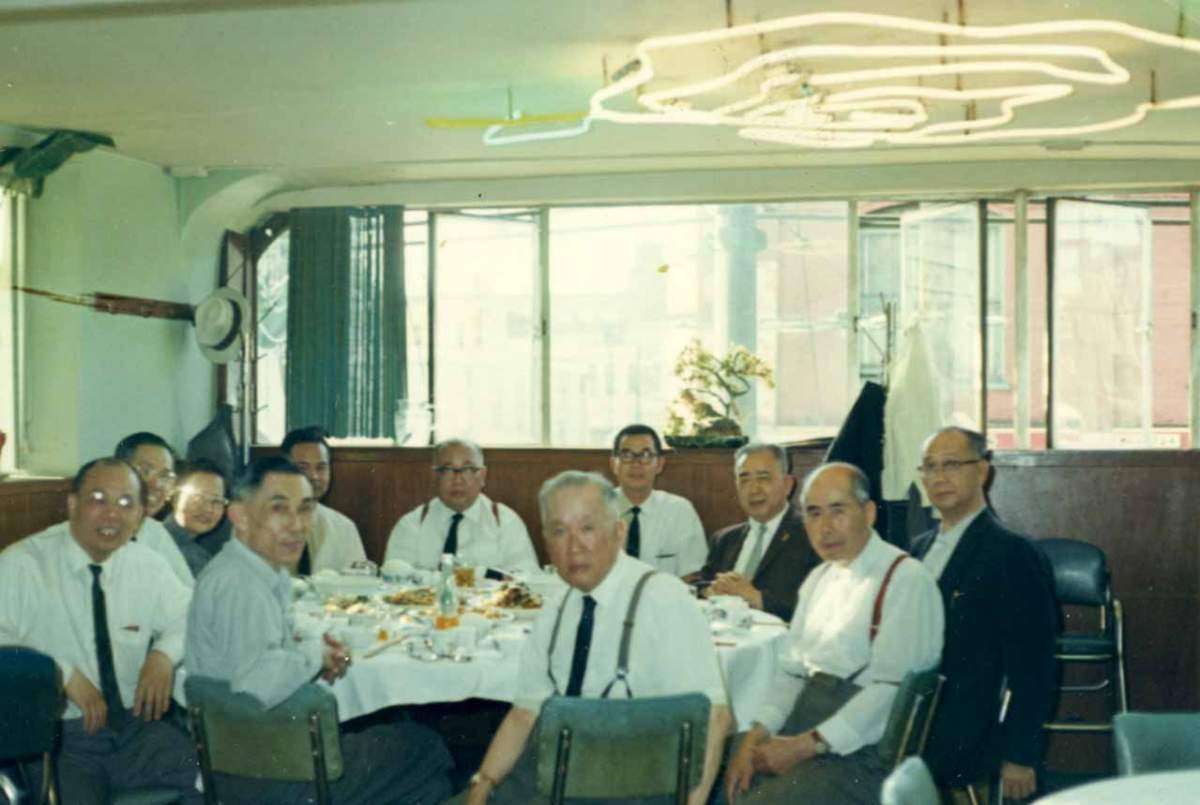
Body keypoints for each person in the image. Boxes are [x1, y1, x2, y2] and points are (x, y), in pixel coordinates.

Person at [185, 455, 452, 804]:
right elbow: (258, 683)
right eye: (279, 509)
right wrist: (316, 656)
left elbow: (262, 651)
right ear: (239, 515)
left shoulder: (254, 571)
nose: (297, 525)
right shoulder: (240, 584)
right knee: (424, 747)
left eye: (306, 509)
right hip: (262, 772)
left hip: (240, 759)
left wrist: (311, 651)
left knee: (424, 783)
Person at [460, 471, 730, 805]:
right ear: (545, 540)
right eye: (559, 531)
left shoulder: (664, 598)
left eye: (587, 528)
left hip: (636, 784)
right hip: (559, 772)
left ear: (618, 532)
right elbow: (524, 714)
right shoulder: (557, 607)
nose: (573, 546)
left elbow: (714, 716)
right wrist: (483, 783)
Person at [724, 462, 944, 804]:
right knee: (707, 764)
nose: (825, 527)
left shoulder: (905, 578)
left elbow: (890, 694)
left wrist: (802, 746)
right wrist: (757, 733)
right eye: (813, 514)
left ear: (869, 513)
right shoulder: (818, 579)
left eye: (837, 511)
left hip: (863, 753)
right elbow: (791, 674)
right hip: (806, 721)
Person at [0, 458, 199, 804]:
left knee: (213, 777)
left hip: (135, 729)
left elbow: (192, 616)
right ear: (73, 504)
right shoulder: (23, 564)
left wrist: (164, 654)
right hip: (59, 738)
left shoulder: (146, 566)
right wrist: (58, 672)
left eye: (126, 504)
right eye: (98, 499)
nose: (112, 515)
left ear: (140, 517)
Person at [909, 427, 1057, 802]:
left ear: (983, 471)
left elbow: (1034, 666)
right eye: (929, 467)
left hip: (961, 727)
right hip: (905, 711)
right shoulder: (917, 550)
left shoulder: (1012, 554)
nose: (939, 477)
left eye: (952, 465)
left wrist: (1020, 755)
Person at [689, 443, 820, 620]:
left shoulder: (812, 534)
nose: (754, 489)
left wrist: (757, 598)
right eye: (744, 479)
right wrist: (710, 591)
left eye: (763, 478)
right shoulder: (724, 539)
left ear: (788, 485)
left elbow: (820, 605)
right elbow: (699, 586)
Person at [385, 438, 538, 575]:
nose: (458, 480)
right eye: (447, 470)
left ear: (482, 476)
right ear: (435, 476)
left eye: (468, 469)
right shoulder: (412, 524)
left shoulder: (505, 522)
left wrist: (480, 575)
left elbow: (525, 578)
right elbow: (393, 576)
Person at [609, 424, 707, 576]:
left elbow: (693, 574)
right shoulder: (595, 509)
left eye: (646, 455)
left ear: (660, 464)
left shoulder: (680, 511)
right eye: (627, 456)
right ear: (614, 464)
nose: (636, 464)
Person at [281, 426, 367, 574]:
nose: (314, 476)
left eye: (321, 468)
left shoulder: (343, 528)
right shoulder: (259, 525)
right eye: (302, 468)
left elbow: (359, 587)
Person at [114, 431, 195, 587]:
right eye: (145, 471)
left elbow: (187, 595)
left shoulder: (155, 533)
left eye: (165, 477)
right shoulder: (79, 534)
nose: (156, 485)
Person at [164, 458, 231, 578]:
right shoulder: (161, 546)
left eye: (216, 501)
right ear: (174, 497)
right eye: (198, 498)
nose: (207, 509)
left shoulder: (199, 553)